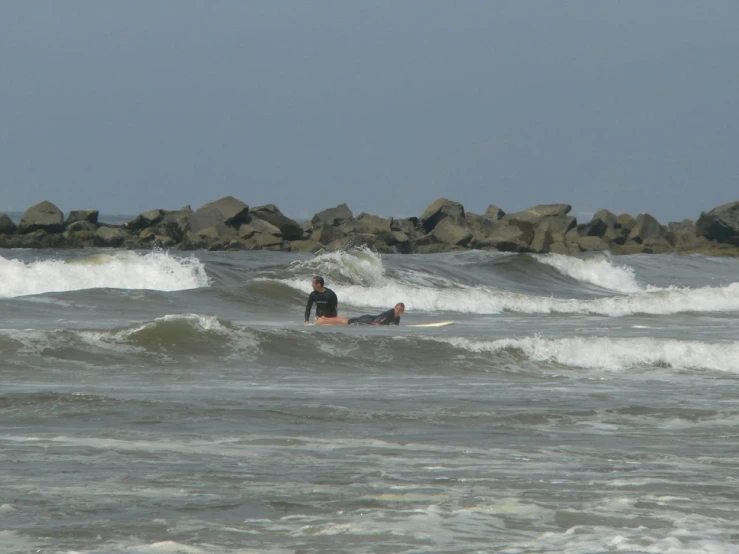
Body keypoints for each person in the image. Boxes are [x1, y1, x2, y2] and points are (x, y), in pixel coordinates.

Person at [315, 303, 405, 326]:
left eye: (399, 310)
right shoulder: (390, 313)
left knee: (346, 321)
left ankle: (325, 318)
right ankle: (323, 320)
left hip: (369, 319)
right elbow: (379, 320)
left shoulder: (397, 318)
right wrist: (375, 324)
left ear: (402, 311)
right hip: (367, 320)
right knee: (346, 321)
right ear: (394, 308)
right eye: (396, 308)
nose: (397, 310)